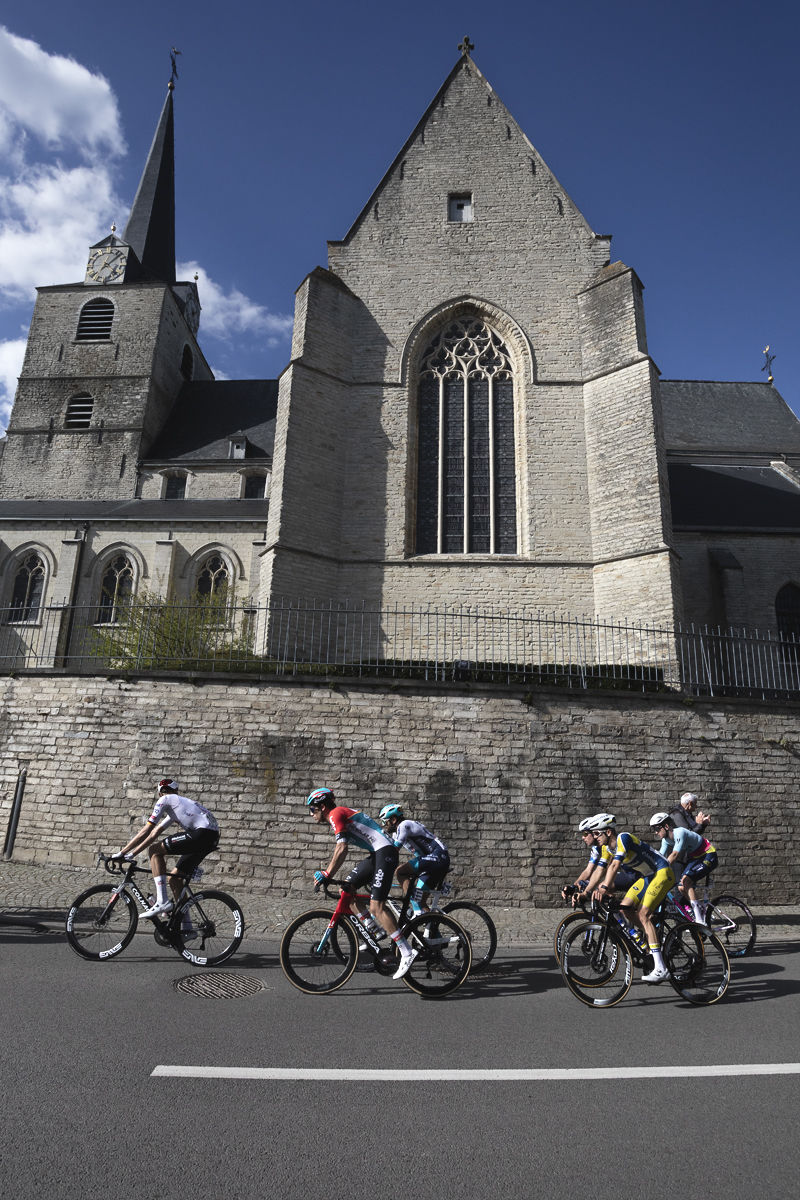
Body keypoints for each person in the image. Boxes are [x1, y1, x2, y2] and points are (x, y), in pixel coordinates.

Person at [306, 788, 418, 980]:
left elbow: (342, 848)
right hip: (377, 854)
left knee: (377, 907)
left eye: (312, 809)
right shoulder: (337, 814)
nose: (311, 814)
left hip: (385, 852)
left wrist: (327, 873)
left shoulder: (335, 814)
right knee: (346, 889)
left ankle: (407, 951)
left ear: (322, 806)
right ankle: (373, 929)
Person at [111, 779, 219, 926]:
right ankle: (186, 926)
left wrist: (121, 852)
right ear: (176, 791)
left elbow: (147, 830)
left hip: (202, 834)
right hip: (210, 837)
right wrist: (131, 854)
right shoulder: (176, 805)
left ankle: (162, 901)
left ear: (159, 793)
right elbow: (153, 835)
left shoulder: (165, 799)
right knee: (174, 879)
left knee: (155, 851)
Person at [590, 814, 676, 984]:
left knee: (643, 914)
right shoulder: (608, 849)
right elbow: (603, 871)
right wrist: (588, 891)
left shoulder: (623, 838)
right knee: (624, 908)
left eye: (597, 834)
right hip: (648, 877)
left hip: (662, 872)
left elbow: (615, 865)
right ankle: (654, 937)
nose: (594, 837)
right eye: (593, 834)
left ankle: (661, 968)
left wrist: (604, 887)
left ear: (608, 832)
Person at [378, 804, 450, 914]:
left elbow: (393, 851)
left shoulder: (404, 825)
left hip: (438, 856)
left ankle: (417, 912)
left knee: (400, 872)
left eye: (384, 822)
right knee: (420, 902)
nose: (383, 825)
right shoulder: (396, 833)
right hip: (434, 861)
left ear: (393, 819)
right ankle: (431, 929)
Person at [650, 812, 718, 926]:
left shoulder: (679, 832)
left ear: (666, 826)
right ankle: (700, 910)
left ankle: (700, 921)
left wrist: (662, 871)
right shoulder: (666, 840)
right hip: (697, 858)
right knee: (681, 887)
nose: (656, 832)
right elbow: (661, 857)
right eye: (654, 829)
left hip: (708, 854)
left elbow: (675, 855)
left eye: (657, 828)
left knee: (686, 882)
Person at [564, 815, 637, 906]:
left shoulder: (611, 844)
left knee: (604, 887)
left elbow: (609, 868)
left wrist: (595, 886)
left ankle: (618, 919)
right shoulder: (597, 848)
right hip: (630, 872)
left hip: (635, 873)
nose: (583, 837)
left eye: (585, 834)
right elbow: (589, 870)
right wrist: (573, 887)